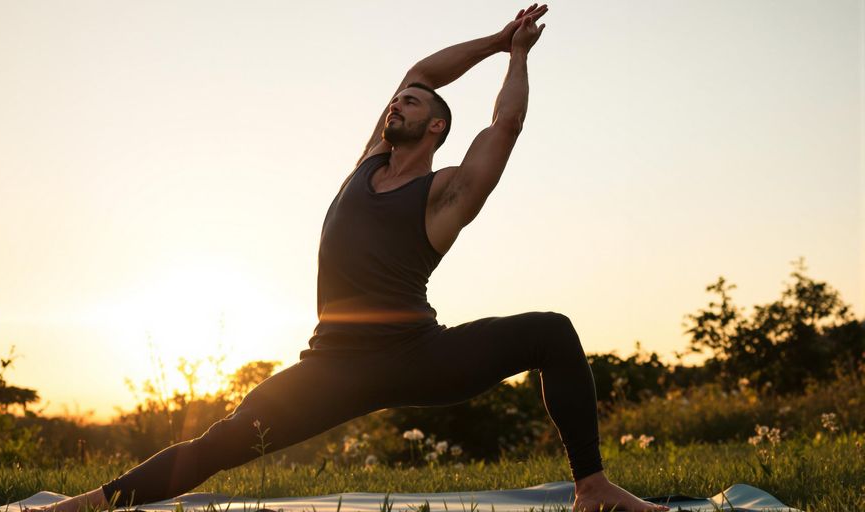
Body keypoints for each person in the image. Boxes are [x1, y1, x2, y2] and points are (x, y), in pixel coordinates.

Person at [33, 5, 669, 512]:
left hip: (416, 356)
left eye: (412, 105)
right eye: (397, 101)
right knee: (224, 440)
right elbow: (422, 69)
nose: (398, 104)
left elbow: (503, 127)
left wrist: (519, 58)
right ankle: (93, 503)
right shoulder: (368, 161)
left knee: (552, 333)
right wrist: (495, 39)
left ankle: (592, 488)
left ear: (437, 129)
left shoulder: (445, 194)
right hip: (331, 362)